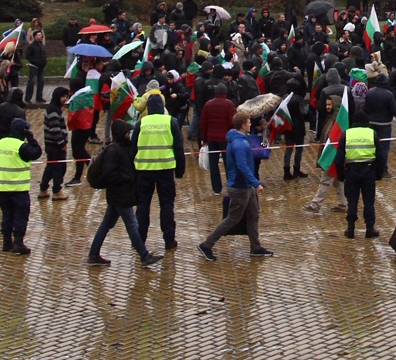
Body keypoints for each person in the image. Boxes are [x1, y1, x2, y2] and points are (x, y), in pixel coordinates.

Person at [198, 110, 274, 262]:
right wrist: (256, 183)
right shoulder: (240, 144)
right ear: (243, 125)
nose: (250, 124)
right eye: (249, 122)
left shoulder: (238, 140)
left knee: (253, 214)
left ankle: (256, 247)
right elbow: (242, 166)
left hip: (246, 186)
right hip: (240, 187)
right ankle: (206, 244)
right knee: (232, 218)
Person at [84, 119, 161, 267]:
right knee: (132, 225)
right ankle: (144, 256)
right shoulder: (114, 150)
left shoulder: (122, 148)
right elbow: (109, 174)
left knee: (106, 225)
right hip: (120, 195)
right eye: (127, 133)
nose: (129, 135)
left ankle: (93, 254)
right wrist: (126, 178)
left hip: (117, 196)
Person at [132, 91, 187, 251]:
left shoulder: (141, 123)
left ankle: (139, 240)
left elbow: (133, 148)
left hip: (144, 170)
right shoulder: (171, 121)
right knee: (167, 205)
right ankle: (169, 240)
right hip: (165, 170)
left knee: (142, 206)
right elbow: (178, 148)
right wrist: (180, 171)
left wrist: (132, 171)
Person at [0, 117, 42, 254]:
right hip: (19, 189)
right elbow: (37, 152)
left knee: (7, 216)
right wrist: (31, 139)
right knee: (21, 216)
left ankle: (6, 242)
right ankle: (18, 243)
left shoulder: (1, 143)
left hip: (3, 188)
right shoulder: (21, 146)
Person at [341, 115, 380, 239]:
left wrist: (341, 175)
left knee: (352, 201)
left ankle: (350, 228)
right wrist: (378, 174)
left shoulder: (347, 134)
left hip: (351, 171)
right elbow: (381, 155)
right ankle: (370, 228)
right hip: (368, 171)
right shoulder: (372, 133)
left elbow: (339, 157)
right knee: (369, 201)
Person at [41, 87, 71, 201]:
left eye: (66, 97)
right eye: (63, 96)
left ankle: (43, 189)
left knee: (50, 167)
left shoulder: (53, 108)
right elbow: (55, 129)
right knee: (59, 168)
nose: (65, 99)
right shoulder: (54, 110)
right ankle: (57, 191)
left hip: (51, 145)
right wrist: (62, 143)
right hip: (55, 146)